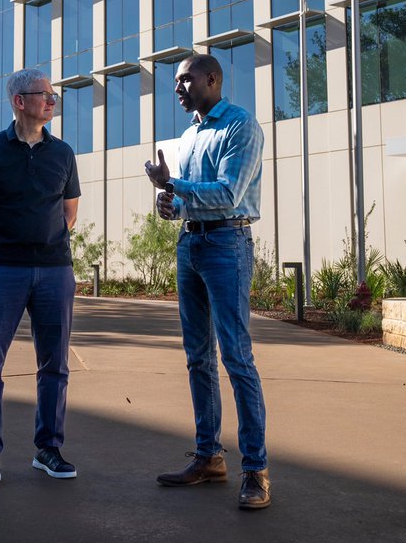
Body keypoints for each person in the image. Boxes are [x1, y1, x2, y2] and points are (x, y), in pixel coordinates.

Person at [143, 53, 271, 510]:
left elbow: (229, 193)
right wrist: (170, 205)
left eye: (185, 79)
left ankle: (255, 471)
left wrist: (174, 187)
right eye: (175, 81)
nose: (177, 87)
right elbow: (190, 201)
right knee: (198, 356)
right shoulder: (190, 134)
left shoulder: (241, 126)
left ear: (212, 78)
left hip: (227, 246)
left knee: (236, 356)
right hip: (190, 245)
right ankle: (208, 457)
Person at [0, 68, 81, 485]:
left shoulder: (63, 153)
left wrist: (45, 244)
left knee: (55, 365)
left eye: (53, 95)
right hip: (1, 270)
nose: (52, 101)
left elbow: (69, 212)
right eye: (44, 95)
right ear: (19, 101)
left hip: (55, 271)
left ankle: (48, 449)